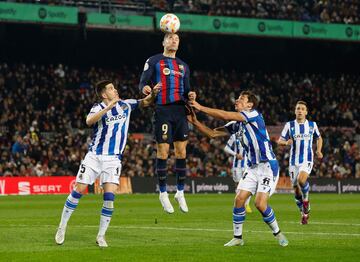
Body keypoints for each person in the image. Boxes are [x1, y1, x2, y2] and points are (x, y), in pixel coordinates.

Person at [55, 80, 159, 247]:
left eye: (114, 87)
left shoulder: (126, 105)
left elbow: (146, 102)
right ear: (104, 94)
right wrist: (108, 107)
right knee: (79, 190)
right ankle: (62, 226)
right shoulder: (98, 108)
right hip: (94, 156)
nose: (115, 89)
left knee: (109, 198)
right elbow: (89, 121)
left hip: (113, 159)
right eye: (111, 88)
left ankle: (101, 236)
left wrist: (153, 93)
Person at [187, 90, 288, 247]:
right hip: (252, 168)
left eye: (241, 99)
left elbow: (226, 115)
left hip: (268, 165)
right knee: (239, 199)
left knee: (260, 204)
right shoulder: (236, 125)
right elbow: (213, 134)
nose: (237, 100)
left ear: (250, 104)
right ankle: (238, 237)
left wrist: (200, 107)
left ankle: (278, 233)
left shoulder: (254, 115)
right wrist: (195, 123)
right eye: (238, 98)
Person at [139, 33, 195, 214]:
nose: (174, 41)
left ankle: (180, 192)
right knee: (163, 151)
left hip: (180, 112)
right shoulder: (154, 60)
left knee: (181, 152)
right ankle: (163, 193)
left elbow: (187, 91)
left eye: (177, 39)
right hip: (162, 110)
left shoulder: (184, 66)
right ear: (163, 42)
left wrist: (191, 95)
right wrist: (147, 89)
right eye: (170, 38)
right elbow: (142, 83)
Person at [277, 101, 323, 224]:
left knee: (301, 180)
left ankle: (306, 201)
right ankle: (303, 212)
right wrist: (286, 142)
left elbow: (319, 138)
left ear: (306, 112)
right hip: (293, 161)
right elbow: (279, 141)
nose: (300, 110)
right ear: (295, 111)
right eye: (298, 108)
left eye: (302, 109)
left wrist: (318, 150)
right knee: (296, 191)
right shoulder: (289, 125)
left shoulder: (312, 125)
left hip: (307, 159)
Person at [224, 134, 252, 213]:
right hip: (236, 166)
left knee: (249, 185)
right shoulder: (233, 136)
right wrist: (235, 154)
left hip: (248, 165)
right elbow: (226, 148)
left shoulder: (249, 134)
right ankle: (239, 204)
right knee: (238, 185)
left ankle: (246, 204)